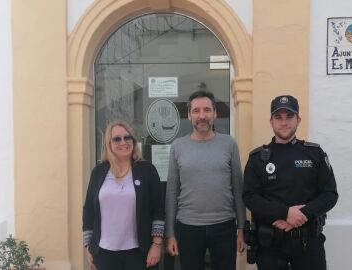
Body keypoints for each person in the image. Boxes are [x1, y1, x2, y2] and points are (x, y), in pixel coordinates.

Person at [242, 95, 338, 270]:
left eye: (289, 117)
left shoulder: (314, 154)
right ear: (271, 121)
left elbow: (330, 194)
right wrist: (285, 213)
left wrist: (302, 214)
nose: (284, 123)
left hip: (308, 244)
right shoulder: (257, 158)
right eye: (278, 117)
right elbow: (249, 197)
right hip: (270, 246)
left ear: (298, 119)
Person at [165, 90, 246, 270]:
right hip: (188, 227)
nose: (202, 116)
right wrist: (170, 233)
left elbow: (238, 188)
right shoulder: (178, 147)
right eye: (196, 111)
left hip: (224, 226)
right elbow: (171, 192)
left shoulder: (229, 144)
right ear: (189, 115)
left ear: (215, 114)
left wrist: (241, 227)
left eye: (207, 110)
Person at [83, 120, 164, 270]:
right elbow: (89, 209)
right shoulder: (99, 172)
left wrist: (157, 244)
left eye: (127, 137)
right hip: (104, 253)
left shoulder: (147, 170)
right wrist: (88, 245)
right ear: (109, 143)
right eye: (117, 139)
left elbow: (158, 210)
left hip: (140, 252)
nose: (123, 142)